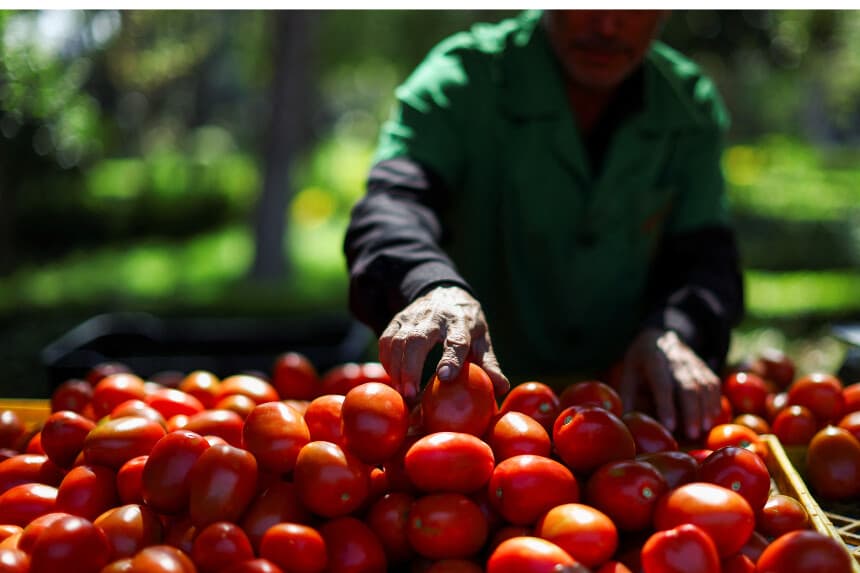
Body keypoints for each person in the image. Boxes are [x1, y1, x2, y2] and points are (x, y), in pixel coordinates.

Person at [344, 10, 744, 440]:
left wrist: (675, 330)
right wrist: (430, 284)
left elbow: (705, 257)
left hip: (622, 422)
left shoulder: (686, 105)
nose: (606, 24)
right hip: (444, 411)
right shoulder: (463, 78)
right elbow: (392, 206)